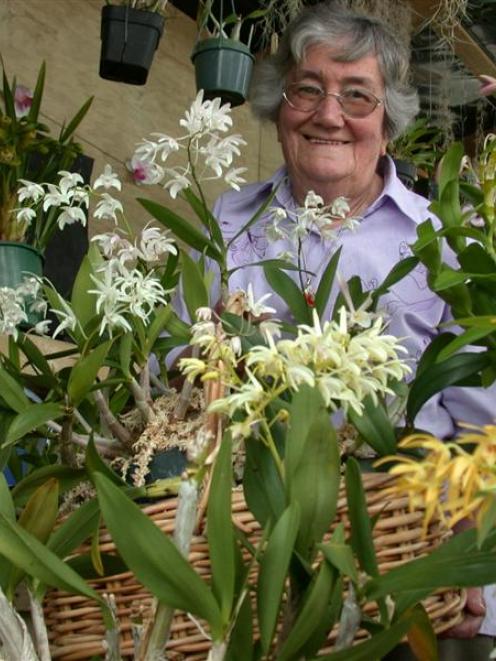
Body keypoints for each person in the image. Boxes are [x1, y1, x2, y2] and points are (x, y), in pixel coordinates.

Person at [192, 1, 495, 658]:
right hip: (246, 571)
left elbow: (484, 423)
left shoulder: (445, 241)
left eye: (357, 96)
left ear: (387, 121)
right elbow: (173, 378)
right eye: (308, 90)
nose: (329, 115)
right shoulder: (225, 224)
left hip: (404, 561)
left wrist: (469, 562)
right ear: (278, 107)